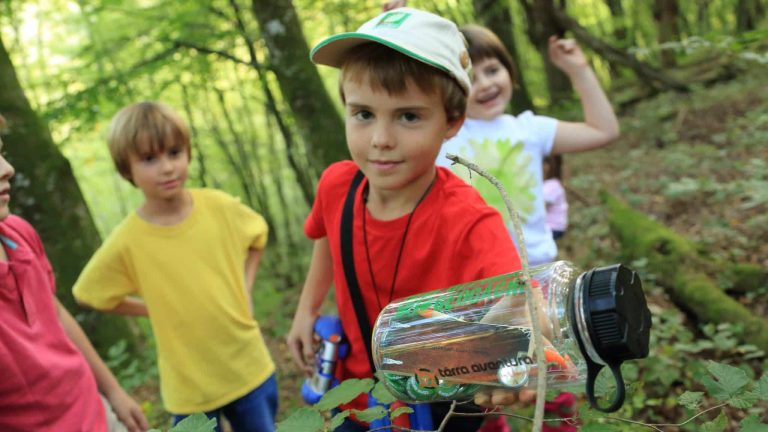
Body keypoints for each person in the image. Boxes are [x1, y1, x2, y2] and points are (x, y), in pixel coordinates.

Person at [286, 7, 528, 432]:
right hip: (357, 403)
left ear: (452, 121)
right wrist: (306, 308)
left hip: (442, 414)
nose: (381, 139)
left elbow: (521, 299)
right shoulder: (337, 186)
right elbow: (326, 235)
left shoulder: (467, 220)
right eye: (363, 113)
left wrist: (514, 344)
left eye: (408, 116)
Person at [72, 102, 277, 431]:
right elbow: (88, 294)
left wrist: (245, 287)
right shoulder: (127, 241)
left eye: (174, 152)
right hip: (189, 388)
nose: (167, 167)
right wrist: (151, 309)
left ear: (188, 153)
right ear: (127, 170)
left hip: (249, 368)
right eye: (150, 159)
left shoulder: (219, 206)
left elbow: (258, 235)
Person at [0, 114, 148, 432]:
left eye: (1, 152)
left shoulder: (18, 234)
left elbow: (54, 311)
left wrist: (112, 391)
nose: (6, 169)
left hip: (95, 410)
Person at [436, 24, 619, 266]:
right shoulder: (440, 137)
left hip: (536, 269)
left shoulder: (529, 129)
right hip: (472, 279)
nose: (485, 84)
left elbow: (603, 130)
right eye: (470, 78)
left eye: (492, 70)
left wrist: (579, 70)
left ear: (509, 70)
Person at [543, 155, 568, 241]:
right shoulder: (547, 184)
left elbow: (542, 208)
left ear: (547, 166)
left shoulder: (552, 185)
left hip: (552, 227)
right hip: (551, 227)